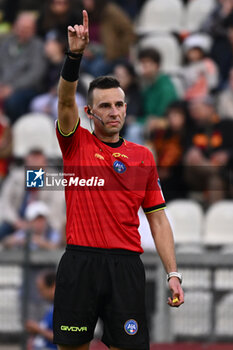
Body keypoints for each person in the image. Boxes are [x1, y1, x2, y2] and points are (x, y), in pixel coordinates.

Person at [53, 10, 184, 350]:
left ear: (127, 108)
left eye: (119, 105)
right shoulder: (75, 143)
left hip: (125, 267)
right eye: (106, 106)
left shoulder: (143, 156)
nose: (114, 111)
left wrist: (173, 273)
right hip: (80, 261)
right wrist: (74, 56)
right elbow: (65, 98)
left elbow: (157, 219)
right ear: (90, 112)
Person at [0, 12, 47, 123]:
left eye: (27, 28)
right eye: (21, 27)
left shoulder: (38, 46)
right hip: (3, 85)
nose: (23, 30)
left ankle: (15, 130)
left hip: (27, 88)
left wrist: (12, 88)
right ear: (15, 26)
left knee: (14, 102)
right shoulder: (6, 43)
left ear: (34, 29)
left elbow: (35, 74)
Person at [26, 269, 57, 350]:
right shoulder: (51, 307)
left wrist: (38, 330)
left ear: (53, 286)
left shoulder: (64, 309)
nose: (40, 295)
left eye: (41, 290)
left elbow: (65, 338)